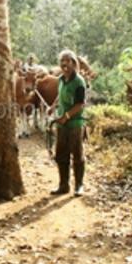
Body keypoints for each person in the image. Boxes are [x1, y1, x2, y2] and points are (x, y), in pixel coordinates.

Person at [49, 49, 87, 196]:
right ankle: (63, 185)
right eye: (62, 61)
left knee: (77, 155)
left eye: (67, 61)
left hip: (75, 124)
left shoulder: (79, 82)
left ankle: (79, 186)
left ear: (73, 63)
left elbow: (80, 104)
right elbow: (60, 94)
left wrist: (66, 116)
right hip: (61, 124)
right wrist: (53, 106)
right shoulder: (61, 79)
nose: (65, 64)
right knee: (60, 155)